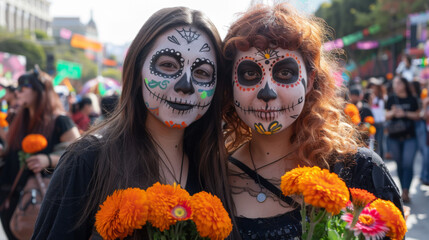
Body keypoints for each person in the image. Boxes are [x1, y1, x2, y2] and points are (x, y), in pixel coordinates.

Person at [32, 7, 233, 239]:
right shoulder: (87, 160)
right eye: (168, 65)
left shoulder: (215, 166)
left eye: (202, 72)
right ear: (138, 71)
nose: (185, 85)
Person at [222, 3, 402, 239]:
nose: (267, 92)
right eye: (249, 74)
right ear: (231, 85)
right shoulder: (214, 175)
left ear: (309, 81)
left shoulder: (358, 171)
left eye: (284, 73)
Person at [0, 67, 80, 240]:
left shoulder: (60, 120)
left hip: (36, 198)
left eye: (23, 87)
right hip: (9, 192)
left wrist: (49, 159)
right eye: (17, 87)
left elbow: (79, 154)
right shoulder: (17, 117)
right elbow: (10, 149)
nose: (18, 91)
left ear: (39, 90)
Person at [385, 76, 420, 203]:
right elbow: (385, 115)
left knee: (408, 163)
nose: (396, 86)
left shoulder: (412, 99)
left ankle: (406, 190)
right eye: (395, 84)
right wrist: (393, 113)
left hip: (410, 136)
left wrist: (404, 114)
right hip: (394, 137)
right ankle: (402, 189)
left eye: (398, 83)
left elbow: (418, 115)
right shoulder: (391, 98)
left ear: (404, 84)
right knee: (399, 164)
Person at [368, 77, 387, 159]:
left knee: (380, 141)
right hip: (372, 122)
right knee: (373, 142)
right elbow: (368, 108)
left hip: (380, 122)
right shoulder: (369, 97)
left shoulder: (382, 97)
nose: (373, 88)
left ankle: (381, 158)